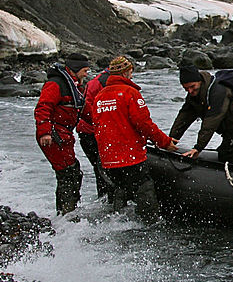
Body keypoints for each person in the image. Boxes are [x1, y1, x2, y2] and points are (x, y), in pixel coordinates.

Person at [92, 57, 177, 217]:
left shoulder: (100, 96)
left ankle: (117, 219)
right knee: (143, 186)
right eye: (130, 72)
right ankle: (149, 223)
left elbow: (96, 125)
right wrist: (165, 142)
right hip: (130, 156)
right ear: (126, 72)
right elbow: (144, 123)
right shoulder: (130, 93)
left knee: (120, 187)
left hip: (108, 158)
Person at [34, 53, 90, 214]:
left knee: (72, 172)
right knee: (68, 174)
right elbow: (42, 108)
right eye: (85, 71)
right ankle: (66, 215)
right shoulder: (56, 84)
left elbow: (85, 110)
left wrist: (104, 121)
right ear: (75, 69)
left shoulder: (74, 87)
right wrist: (45, 133)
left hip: (63, 135)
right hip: (53, 136)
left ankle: (68, 211)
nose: (86, 74)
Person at [169, 64, 233, 163]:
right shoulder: (194, 95)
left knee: (228, 155)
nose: (190, 91)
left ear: (199, 81)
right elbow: (184, 117)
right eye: (186, 88)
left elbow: (211, 121)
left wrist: (198, 148)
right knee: (225, 150)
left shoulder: (218, 91)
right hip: (229, 126)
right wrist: (171, 140)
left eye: (192, 86)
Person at [76, 59, 116, 200]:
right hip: (93, 132)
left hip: (87, 131)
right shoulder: (107, 83)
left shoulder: (97, 81)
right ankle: (108, 201)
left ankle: (104, 200)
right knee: (105, 169)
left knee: (101, 169)